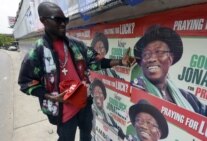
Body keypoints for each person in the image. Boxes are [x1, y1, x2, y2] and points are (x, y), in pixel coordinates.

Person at [17, 2, 134, 141]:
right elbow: (25, 83)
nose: (63, 24)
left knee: (87, 135)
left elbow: (95, 61)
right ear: (44, 21)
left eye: (65, 20)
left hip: (84, 105)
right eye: (57, 20)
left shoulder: (77, 44)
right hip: (63, 113)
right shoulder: (37, 52)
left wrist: (120, 62)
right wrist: (51, 97)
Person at [131, 25, 207, 124]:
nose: (152, 58)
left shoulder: (187, 98)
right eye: (146, 54)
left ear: (170, 58)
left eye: (159, 52)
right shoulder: (134, 90)